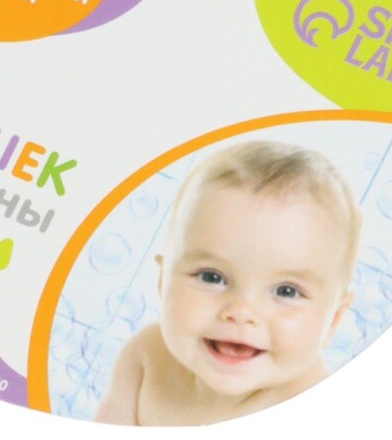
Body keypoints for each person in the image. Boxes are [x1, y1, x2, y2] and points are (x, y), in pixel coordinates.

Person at [94, 139, 362, 425]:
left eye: (287, 291)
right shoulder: (146, 357)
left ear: (333, 320)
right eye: (212, 277)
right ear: (163, 280)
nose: (241, 312)